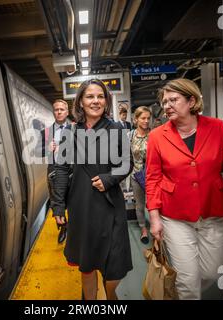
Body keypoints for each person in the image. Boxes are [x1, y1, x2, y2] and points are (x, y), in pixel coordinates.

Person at [145, 78, 223, 300]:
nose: (167, 105)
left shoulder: (217, 127)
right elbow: (152, 178)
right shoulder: (157, 136)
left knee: (211, 271)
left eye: (173, 100)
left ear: (191, 101)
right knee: (187, 281)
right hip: (175, 215)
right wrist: (154, 216)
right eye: (164, 102)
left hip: (213, 211)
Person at [51, 79, 133, 300]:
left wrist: (108, 178)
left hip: (110, 203)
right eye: (90, 96)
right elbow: (60, 169)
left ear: (106, 101)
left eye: (100, 96)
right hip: (81, 204)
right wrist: (58, 205)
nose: (95, 101)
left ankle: (111, 295)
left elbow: (127, 163)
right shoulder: (70, 132)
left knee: (113, 267)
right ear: (81, 101)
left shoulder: (115, 129)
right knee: (86, 266)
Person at [42, 99, 70, 244]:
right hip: (54, 172)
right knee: (56, 201)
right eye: (56, 110)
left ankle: (73, 229)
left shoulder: (76, 129)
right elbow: (38, 151)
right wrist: (47, 150)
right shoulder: (46, 132)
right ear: (53, 112)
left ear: (67, 112)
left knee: (72, 200)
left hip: (71, 171)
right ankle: (63, 227)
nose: (59, 112)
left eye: (62, 109)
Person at [129, 106, 152, 244]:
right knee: (139, 204)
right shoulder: (130, 136)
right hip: (136, 176)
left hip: (152, 175)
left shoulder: (155, 135)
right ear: (136, 119)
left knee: (155, 203)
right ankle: (143, 228)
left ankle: (158, 227)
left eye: (148, 118)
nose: (146, 121)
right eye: (143, 118)